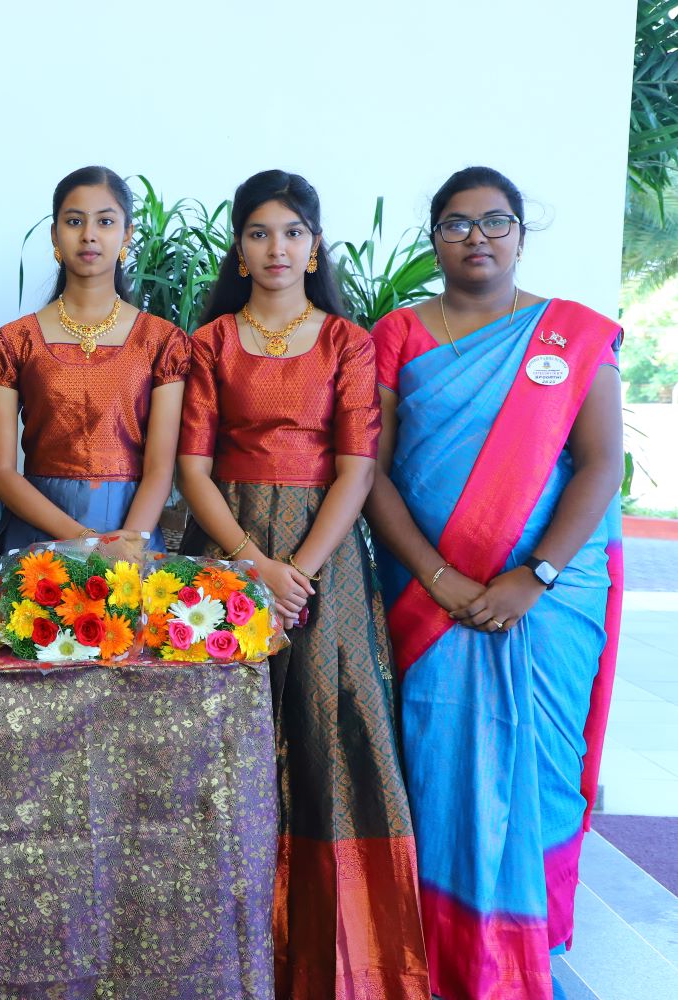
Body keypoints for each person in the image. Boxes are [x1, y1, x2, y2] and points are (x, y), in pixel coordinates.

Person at [366, 167, 623, 1000]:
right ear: (434, 238)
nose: (476, 237)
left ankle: (522, 952)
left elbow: (601, 466)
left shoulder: (572, 335)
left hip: (548, 603)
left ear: (520, 232)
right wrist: (437, 576)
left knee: (538, 768)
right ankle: (441, 957)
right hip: (428, 601)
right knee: (440, 769)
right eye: (456, 224)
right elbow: (370, 474)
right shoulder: (398, 334)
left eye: (495, 221)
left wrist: (533, 577)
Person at [177, 170, 429, 998]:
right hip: (225, 553)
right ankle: (212, 951)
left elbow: (357, 470)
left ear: (315, 246)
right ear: (239, 249)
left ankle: (336, 960)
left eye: (292, 232)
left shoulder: (347, 342)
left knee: (331, 734)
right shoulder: (210, 342)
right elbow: (192, 469)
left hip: (327, 562)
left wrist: (301, 574)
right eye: (259, 232)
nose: (276, 248)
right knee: (219, 738)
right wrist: (255, 564)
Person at [0, 166, 186, 552]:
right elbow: (1, 473)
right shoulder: (12, 342)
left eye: (105, 222)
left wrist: (126, 547)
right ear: (54, 234)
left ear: (127, 234)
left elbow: (161, 468)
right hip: (38, 537)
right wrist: (88, 542)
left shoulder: (162, 342)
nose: (89, 234)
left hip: (132, 535)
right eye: (74, 221)